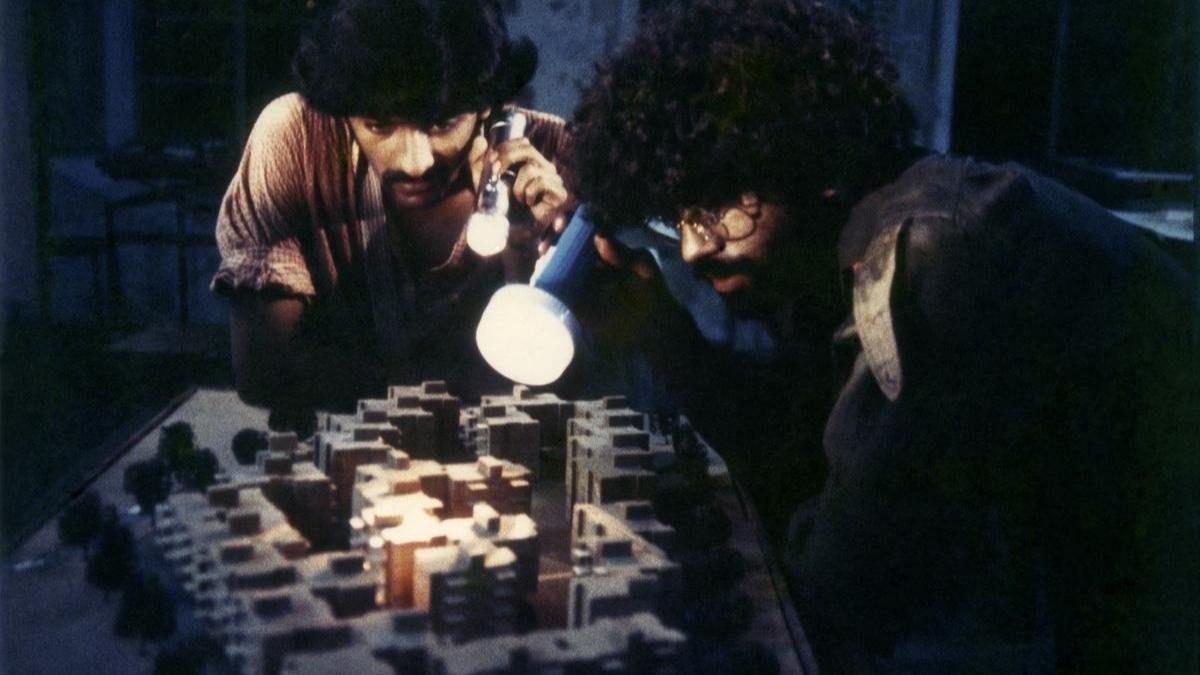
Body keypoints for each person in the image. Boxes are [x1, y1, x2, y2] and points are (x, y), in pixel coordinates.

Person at [570, 0, 1199, 672]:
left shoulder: (928, 251)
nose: (695, 249)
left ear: (810, 162)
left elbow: (846, 578)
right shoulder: (845, 242)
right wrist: (662, 332)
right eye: (678, 217)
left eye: (715, 207)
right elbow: (805, 454)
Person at [212, 0, 573, 426]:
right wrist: (462, 384)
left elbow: (579, 381)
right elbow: (263, 371)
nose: (416, 163)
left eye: (443, 123)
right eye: (380, 125)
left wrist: (528, 258)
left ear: (487, 103)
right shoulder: (297, 139)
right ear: (344, 108)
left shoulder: (550, 160)